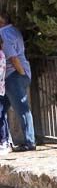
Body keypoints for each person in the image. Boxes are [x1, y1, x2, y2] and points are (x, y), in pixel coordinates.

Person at [0, 13, 34, 152]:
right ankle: (5, 141)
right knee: (1, 110)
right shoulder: (13, 30)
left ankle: (30, 142)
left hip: (14, 75)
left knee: (22, 109)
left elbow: (13, 57)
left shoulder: (4, 34)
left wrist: (20, 73)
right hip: (16, 75)